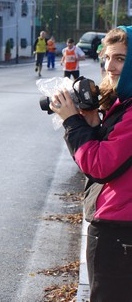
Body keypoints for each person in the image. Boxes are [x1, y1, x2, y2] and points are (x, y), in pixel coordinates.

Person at [50, 26, 132, 301]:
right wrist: (93, 122)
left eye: (120, 58)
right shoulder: (124, 103)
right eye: (107, 57)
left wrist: (72, 122)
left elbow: (99, 166)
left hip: (119, 230)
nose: (110, 66)